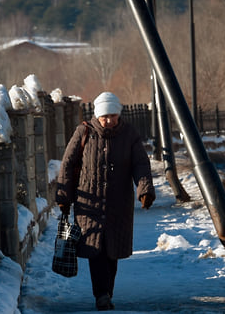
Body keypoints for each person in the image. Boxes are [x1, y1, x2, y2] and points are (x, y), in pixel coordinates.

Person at [55, 91, 155, 311]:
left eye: (112, 116)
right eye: (104, 116)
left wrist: (145, 190)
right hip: (88, 203)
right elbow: (68, 164)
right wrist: (64, 196)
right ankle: (101, 294)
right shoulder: (84, 132)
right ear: (97, 116)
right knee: (95, 248)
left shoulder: (129, 134)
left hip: (118, 203)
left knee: (112, 250)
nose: (109, 120)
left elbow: (140, 163)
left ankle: (107, 291)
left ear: (118, 115)